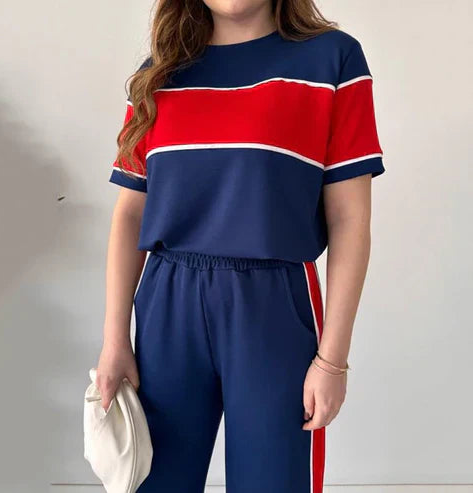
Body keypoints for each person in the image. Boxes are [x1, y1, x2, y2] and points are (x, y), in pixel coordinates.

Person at [96, 0, 385, 491]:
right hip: (167, 305)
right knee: (155, 481)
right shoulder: (157, 75)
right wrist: (114, 339)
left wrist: (332, 360)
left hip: (273, 305)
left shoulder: (332, 60)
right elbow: (130, 213)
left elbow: (349, 218)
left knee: (273, 481)